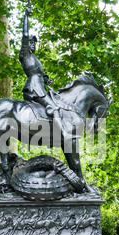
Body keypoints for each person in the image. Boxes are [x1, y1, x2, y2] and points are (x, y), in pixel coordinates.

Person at [19, 8, 72, 139]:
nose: (32, 45)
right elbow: (25, 35)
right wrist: (26, 16)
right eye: (31, 42)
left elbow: (41, 75)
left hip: (41, 87)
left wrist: (47, 80)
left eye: (34, 43)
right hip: (34, 88)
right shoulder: (25, 55)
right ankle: (63, 134)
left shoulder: (35, 59)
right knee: (54, 108)